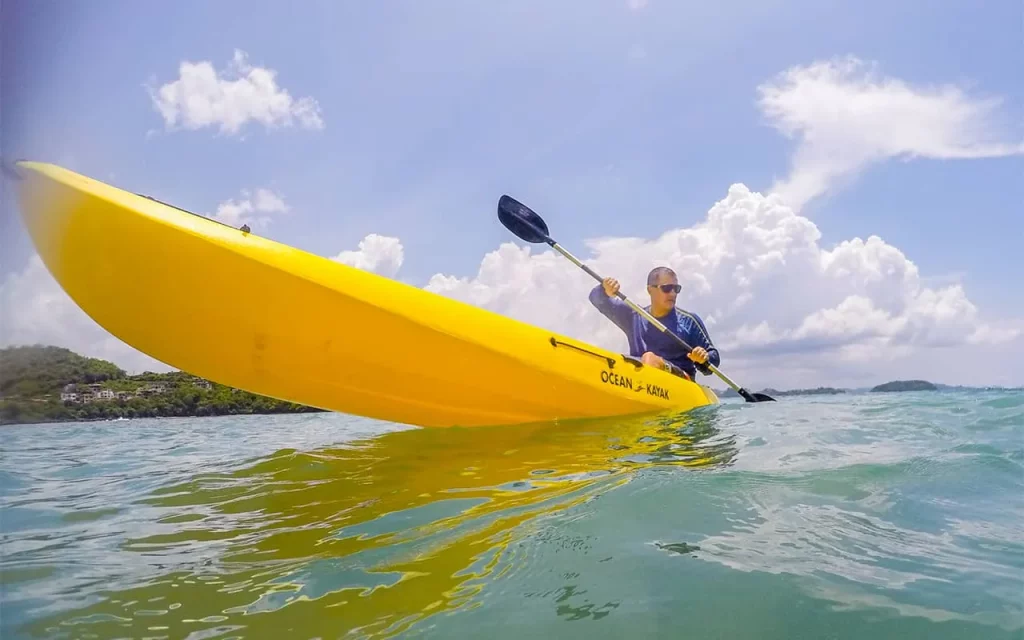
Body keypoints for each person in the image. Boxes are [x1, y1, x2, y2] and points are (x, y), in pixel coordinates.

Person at [588, 266, 720, 380]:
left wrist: (704, 357)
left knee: (650, 359)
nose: (673, 293)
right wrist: (604, 288)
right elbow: (596, 299)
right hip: (642, 381)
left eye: (676, 289)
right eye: (667, 288)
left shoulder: (689, 321)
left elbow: (714, 361)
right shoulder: (634, 316)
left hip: (682, 382)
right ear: (650, 289)